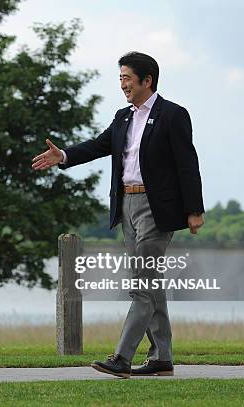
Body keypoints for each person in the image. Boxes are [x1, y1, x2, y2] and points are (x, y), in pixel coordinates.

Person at [32, 51, 204, 378]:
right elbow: (99, 146)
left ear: (147, 80)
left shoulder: (173, 115)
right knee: (150, 285)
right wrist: (64, 155)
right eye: (121, 78)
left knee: (141, 285)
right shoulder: (123, 117)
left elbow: (187, 163)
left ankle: (122, 357)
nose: (123, 84)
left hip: (156, 210)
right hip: (126, 206)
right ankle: (161, 357)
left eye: (127, 78)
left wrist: (194, 209)